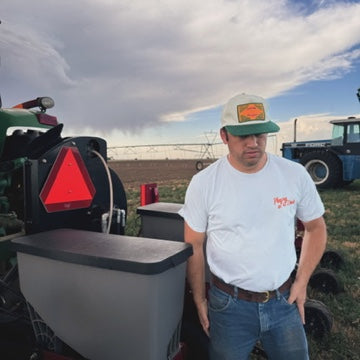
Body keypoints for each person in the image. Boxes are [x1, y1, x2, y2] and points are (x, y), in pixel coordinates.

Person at [179, 93, 327, 360]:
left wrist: (302, 282)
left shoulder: (293, 175)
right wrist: (200, 300)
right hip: (228, 306)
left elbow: (316, 228)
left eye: (260, 134)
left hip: (284, 301)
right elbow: (194, 245)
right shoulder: (204, 183)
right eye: (243, 135)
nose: (253, 143)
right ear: (224, 136)